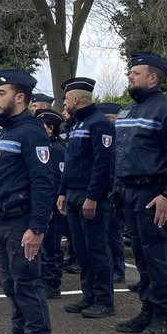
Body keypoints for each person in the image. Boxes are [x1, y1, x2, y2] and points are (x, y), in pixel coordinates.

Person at [113, 52, 167, 334]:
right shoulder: (129, 111)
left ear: (152, 77)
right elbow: (121, 155)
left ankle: (163, 315)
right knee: (142, 256)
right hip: (130, 192)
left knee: (157, 255)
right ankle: (147, 309)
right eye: (130, 73)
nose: (130, 77)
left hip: (154, 193)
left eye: (136, 73)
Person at [0, 70, 56, 334]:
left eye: (1, 94)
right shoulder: (5, 132)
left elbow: (44, 182)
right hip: (0, 221)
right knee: (12, 287)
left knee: (28, 286)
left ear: (20, 97)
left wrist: (36, 228)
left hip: (20, 221)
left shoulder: (31, 132)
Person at [56, 78, 117, 319]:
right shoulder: (76, 124)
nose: (63, 102)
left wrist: (93, 196)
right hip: (72, 194)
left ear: (75, 100)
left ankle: (103, 299)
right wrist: (62, 191)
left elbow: (103, 164)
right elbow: (70, 162)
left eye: (65, 98)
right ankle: (89, 294)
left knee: (96, 248)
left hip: (90, 196)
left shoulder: (99, 124)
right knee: (81, 249)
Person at [34, 108, 67, 299]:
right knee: (43, 245)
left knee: (51, 246)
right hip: (42, 203)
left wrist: (51, 203)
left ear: (51, 129)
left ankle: (52, 283)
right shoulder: (43, 148)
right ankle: (44, 278)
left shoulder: (57, 150)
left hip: (53, 204)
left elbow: (57, 179)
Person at [96, 102, 127, 282]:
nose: (108, 122)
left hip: (116, 192)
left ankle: (118, 269)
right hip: (107, 190)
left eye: (111, 119)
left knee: (114, 234)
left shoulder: (121, 139)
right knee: (105, 234)